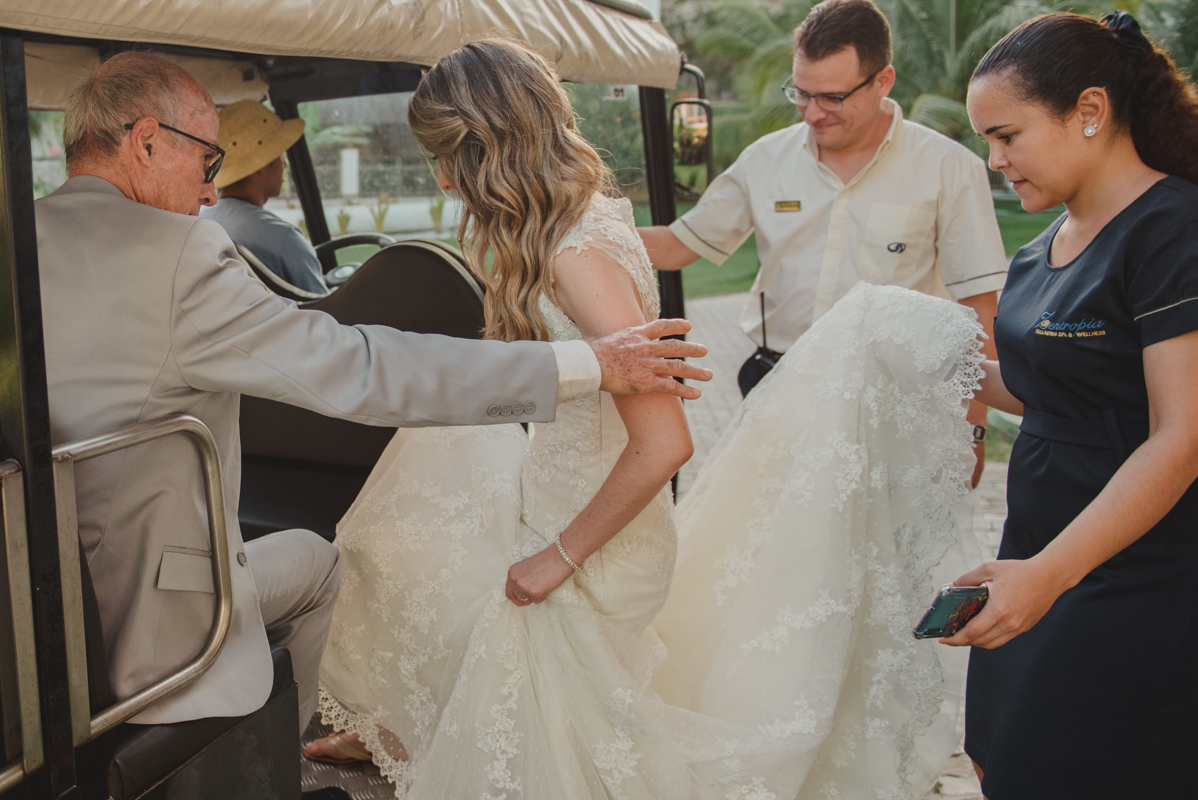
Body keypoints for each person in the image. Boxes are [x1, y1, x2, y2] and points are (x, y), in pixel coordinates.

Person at [312, 38, 984, 800]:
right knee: (411, 532)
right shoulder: (585, 219)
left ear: (488, 151)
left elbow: (665, 442)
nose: (440, 178)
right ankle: (401, 728)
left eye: (445, 157)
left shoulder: (575, 255)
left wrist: (556, 558)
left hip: (592, 535)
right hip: (558, 494)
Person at [36, 51, 710, 737]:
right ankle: (280, 758)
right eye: (210, 161)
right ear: (147, 141)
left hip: (43, 593)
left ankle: (373, 729)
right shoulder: (181, 254)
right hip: (145, 611)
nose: (212, 194)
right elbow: (355, 367)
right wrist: (589, 365)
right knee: (340, 558)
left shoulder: (20, 238)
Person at [950, 12, 1198, 799]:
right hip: (1033, 547)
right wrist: (930, 363)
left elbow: (1182, 436)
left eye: (1007, 136)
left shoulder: (1172, 228)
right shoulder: (1036, 252)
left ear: (1089, 110)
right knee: (998, 758)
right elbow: (1049, 393)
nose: (995, 161)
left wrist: (1049, 576)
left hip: (1133, 568)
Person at [639, 0, 1004, 485]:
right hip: (777, 388)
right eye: (801, 93)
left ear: (883, 81)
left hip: (896, 401)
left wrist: (972, 429)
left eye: (832, 97)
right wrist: (573, 229)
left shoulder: (950, 168)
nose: (812, 112)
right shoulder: (765, 159)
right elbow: (676, 245)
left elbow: (978, 308)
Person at [200, 99, 327, 294]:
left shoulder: (202, 221)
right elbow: (324, 306)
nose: (286, 164)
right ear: (262, 164)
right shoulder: (283, 239)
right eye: (280, 155)